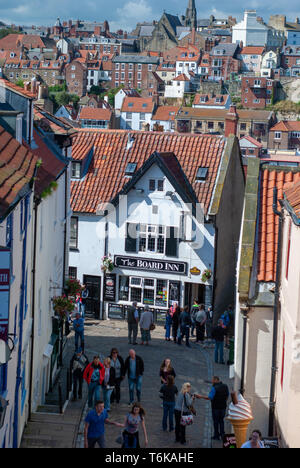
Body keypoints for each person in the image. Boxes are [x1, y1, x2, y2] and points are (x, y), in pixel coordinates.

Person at [195, 376, 229, 441]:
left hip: (216, 408)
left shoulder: (214, 388)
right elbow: (227, 395)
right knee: (221, 421)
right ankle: (222, 434)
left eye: (213, 380)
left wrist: (200, 396)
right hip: (223, 408)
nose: (212, 381)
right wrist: (223, 401)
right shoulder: (225, 386)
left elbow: (210, 397)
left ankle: (216, 435)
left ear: (216, 380)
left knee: (216, 422)